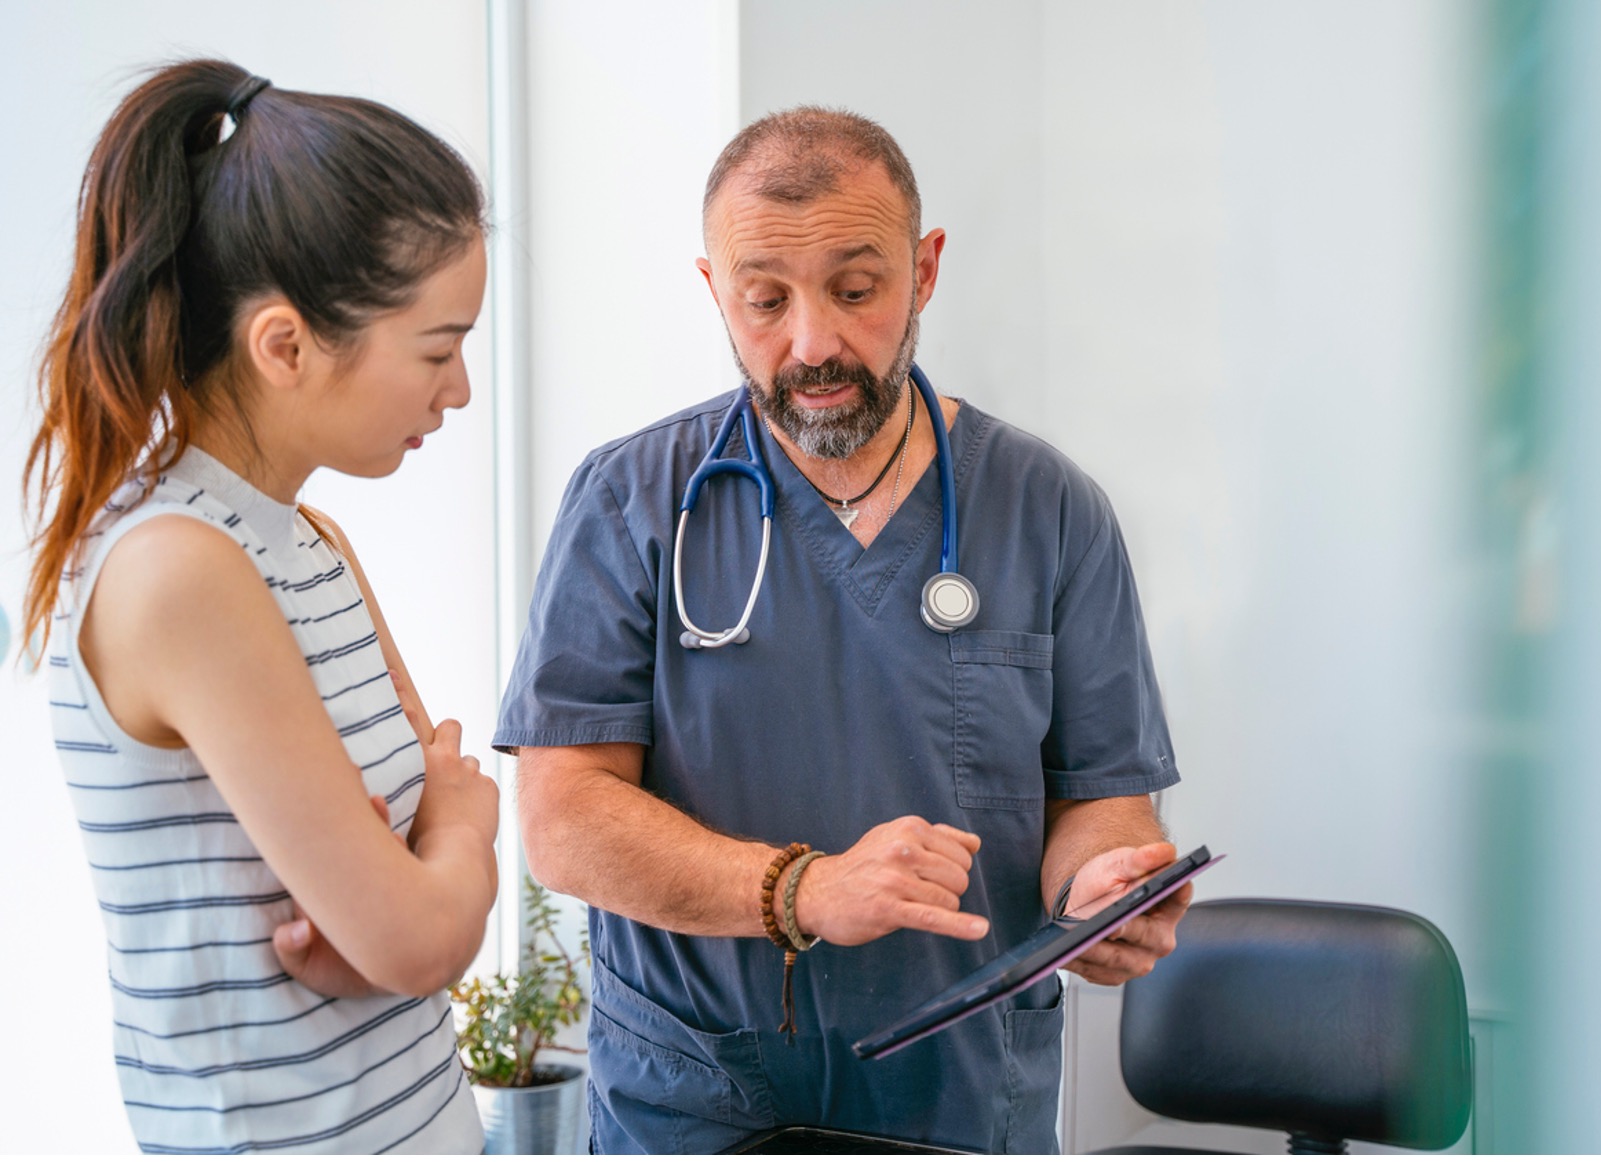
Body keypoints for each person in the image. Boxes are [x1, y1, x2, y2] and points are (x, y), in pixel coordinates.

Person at [495, 106, 1189, 1154]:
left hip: (952, 1096)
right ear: (713, 290)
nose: (812, 342)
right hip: (693, 1094)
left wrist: (1099, 890)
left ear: (924, 270)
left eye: (856, 290)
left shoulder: (1047, 508)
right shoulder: (631, 499)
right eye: (764, 300)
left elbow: (1101, 804)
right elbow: (564, 820)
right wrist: (803, 888)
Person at [23, 60, 499, 1153]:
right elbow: (421, 922)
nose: (458, 389)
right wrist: (462, 839)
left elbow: (420, 827)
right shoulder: (174, 570)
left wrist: (414, 881)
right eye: (438, 348)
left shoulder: (311, 543)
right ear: (284, 345)